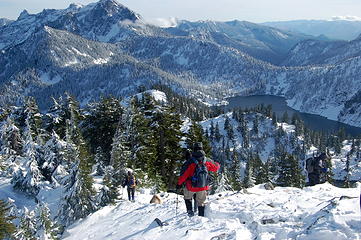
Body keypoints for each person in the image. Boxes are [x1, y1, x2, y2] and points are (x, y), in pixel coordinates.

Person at [176, 142, 220, 217]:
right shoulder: (206, 161)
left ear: (194, 149)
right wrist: (215, 163)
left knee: (187, 197)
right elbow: (216, 167)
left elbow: (184, 175)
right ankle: (200, 217)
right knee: (201, 202)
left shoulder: (190, 162)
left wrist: (179, 184)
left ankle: (190, 213)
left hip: (191, 187)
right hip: (202, 186)